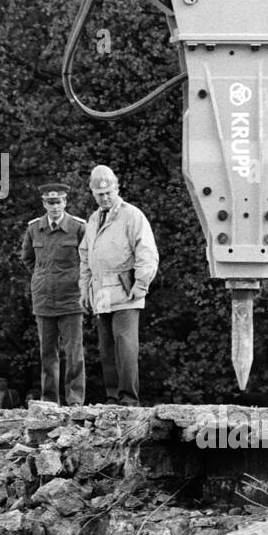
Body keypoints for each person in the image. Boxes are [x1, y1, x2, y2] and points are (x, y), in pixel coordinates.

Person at [79, 164, 158, 407]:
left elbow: (147, 251)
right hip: (100, 290)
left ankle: (128, 399)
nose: (104, 198)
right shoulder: (93, 219)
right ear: (92, 193)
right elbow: (85, 256)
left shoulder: (132, 215)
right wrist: (84, 289)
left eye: (108, 193)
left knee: (126, 347)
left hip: (126, 288)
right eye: (99, 194)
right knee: (106, 349)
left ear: (116, 188)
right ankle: (112, 398)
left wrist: (142, 283)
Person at [20, 181, 87, 405]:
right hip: (44, 299)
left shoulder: (78, 228)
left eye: (58, 202)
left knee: (74, 353)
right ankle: (49, 400)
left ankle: (75, 400)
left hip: (71, 299)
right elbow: (28, 259)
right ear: (44, 204)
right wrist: (43, 277)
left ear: (65, 202)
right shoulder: (34, 228)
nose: (55, 206)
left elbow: (87, 259)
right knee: (47, 353)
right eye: (50, 202)